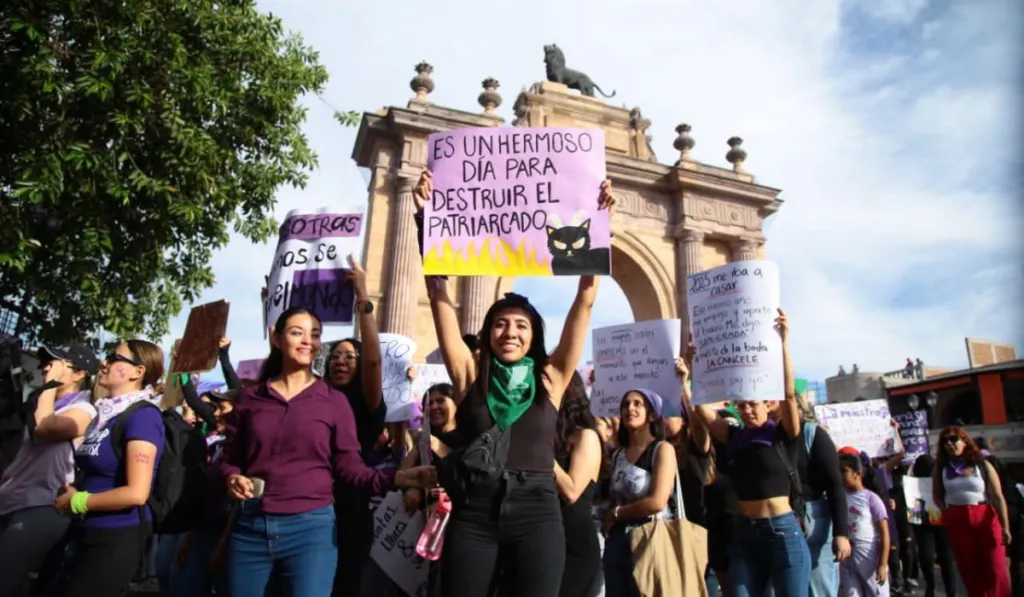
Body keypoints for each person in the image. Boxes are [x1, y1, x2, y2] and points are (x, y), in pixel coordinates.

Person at [413, 169, 614, 597]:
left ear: (533, 336)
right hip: (475, 513)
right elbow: (438, 296)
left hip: (538, 512)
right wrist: (425, 222)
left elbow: (586, 300)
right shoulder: (469, 375)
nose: (510, 332)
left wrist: (599, 225)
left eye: (521, 326)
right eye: (500, 325)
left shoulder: (552, 377)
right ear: (487, 334)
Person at [219, 307, 435, 597]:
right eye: (297, 332)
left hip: (311, 531)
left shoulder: (334, 403)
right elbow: (230, 461)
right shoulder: (251, 399)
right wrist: (232, 478)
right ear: (278, 339)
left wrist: (399, 478)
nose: (308, 341)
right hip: (250, 528)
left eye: (316, 335)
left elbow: (351, 469)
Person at [694, 309, 810, 597]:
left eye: (752, 404)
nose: (746, 410)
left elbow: (789, 395)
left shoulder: (782, 434)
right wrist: (692, 367)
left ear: (766, 403)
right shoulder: (734, 435)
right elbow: (701, 409)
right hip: (745, 533)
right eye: (741, 405)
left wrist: (783, 343)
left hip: (782, 531)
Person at [55, 340, 167, 597]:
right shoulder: (104, 414)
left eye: (113, 357)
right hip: (84, 531)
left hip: (116, 538)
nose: (103, 362)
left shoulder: (144, 417)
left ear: (137, 372)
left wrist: (80, 501)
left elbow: (137, 493)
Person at [0, 346, 98, 596]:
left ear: (79, 374)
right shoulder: (41, 402)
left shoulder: (85, 410)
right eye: (46, 363)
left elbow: (44, 428)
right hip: (10, 497)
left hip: (41, 505)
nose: (46, 367)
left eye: (56, 363)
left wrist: (50, 384)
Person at [601, 389, 678, 597]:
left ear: (652, 414)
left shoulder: (662, 450)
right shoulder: (618, 455)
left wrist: (616, 514)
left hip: (650, 541)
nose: (630, 409)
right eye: (625, 404)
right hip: (617, 543)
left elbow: (657, 501)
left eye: (637, 404)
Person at [932, 427, 1011, 597]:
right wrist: (947, 513)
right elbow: (937, 495)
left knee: (996, 570)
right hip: (957, 519)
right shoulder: (941, 469)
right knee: (970, 571)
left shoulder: (982, 464)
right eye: (945, 441)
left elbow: (997, 496)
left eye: (953, 439)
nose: (949, 444)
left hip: (984, 516)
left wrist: (1005, 526)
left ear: (965, 441)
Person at [554, 372, 603, 597]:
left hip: (575, 545)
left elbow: (572, 491)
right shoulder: (551, 437)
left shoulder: (586, 437)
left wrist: (539, 450)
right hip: (545, 539)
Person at [838, 452, 890, 597]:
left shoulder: (872, 499)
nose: (840, 475)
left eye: (844, 471)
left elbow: (884, 533)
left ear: (858, 473)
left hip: (869, 557)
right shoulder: (839, 497)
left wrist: (882, 564)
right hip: (847, 559)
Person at [908, 454, 956, 597]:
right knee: (928, 557)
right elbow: (915, 505)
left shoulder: (942, 479)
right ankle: (932, 587)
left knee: (945, 558)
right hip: (924, 524)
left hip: (942, 523)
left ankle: (949, 591)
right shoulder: (914, 485)